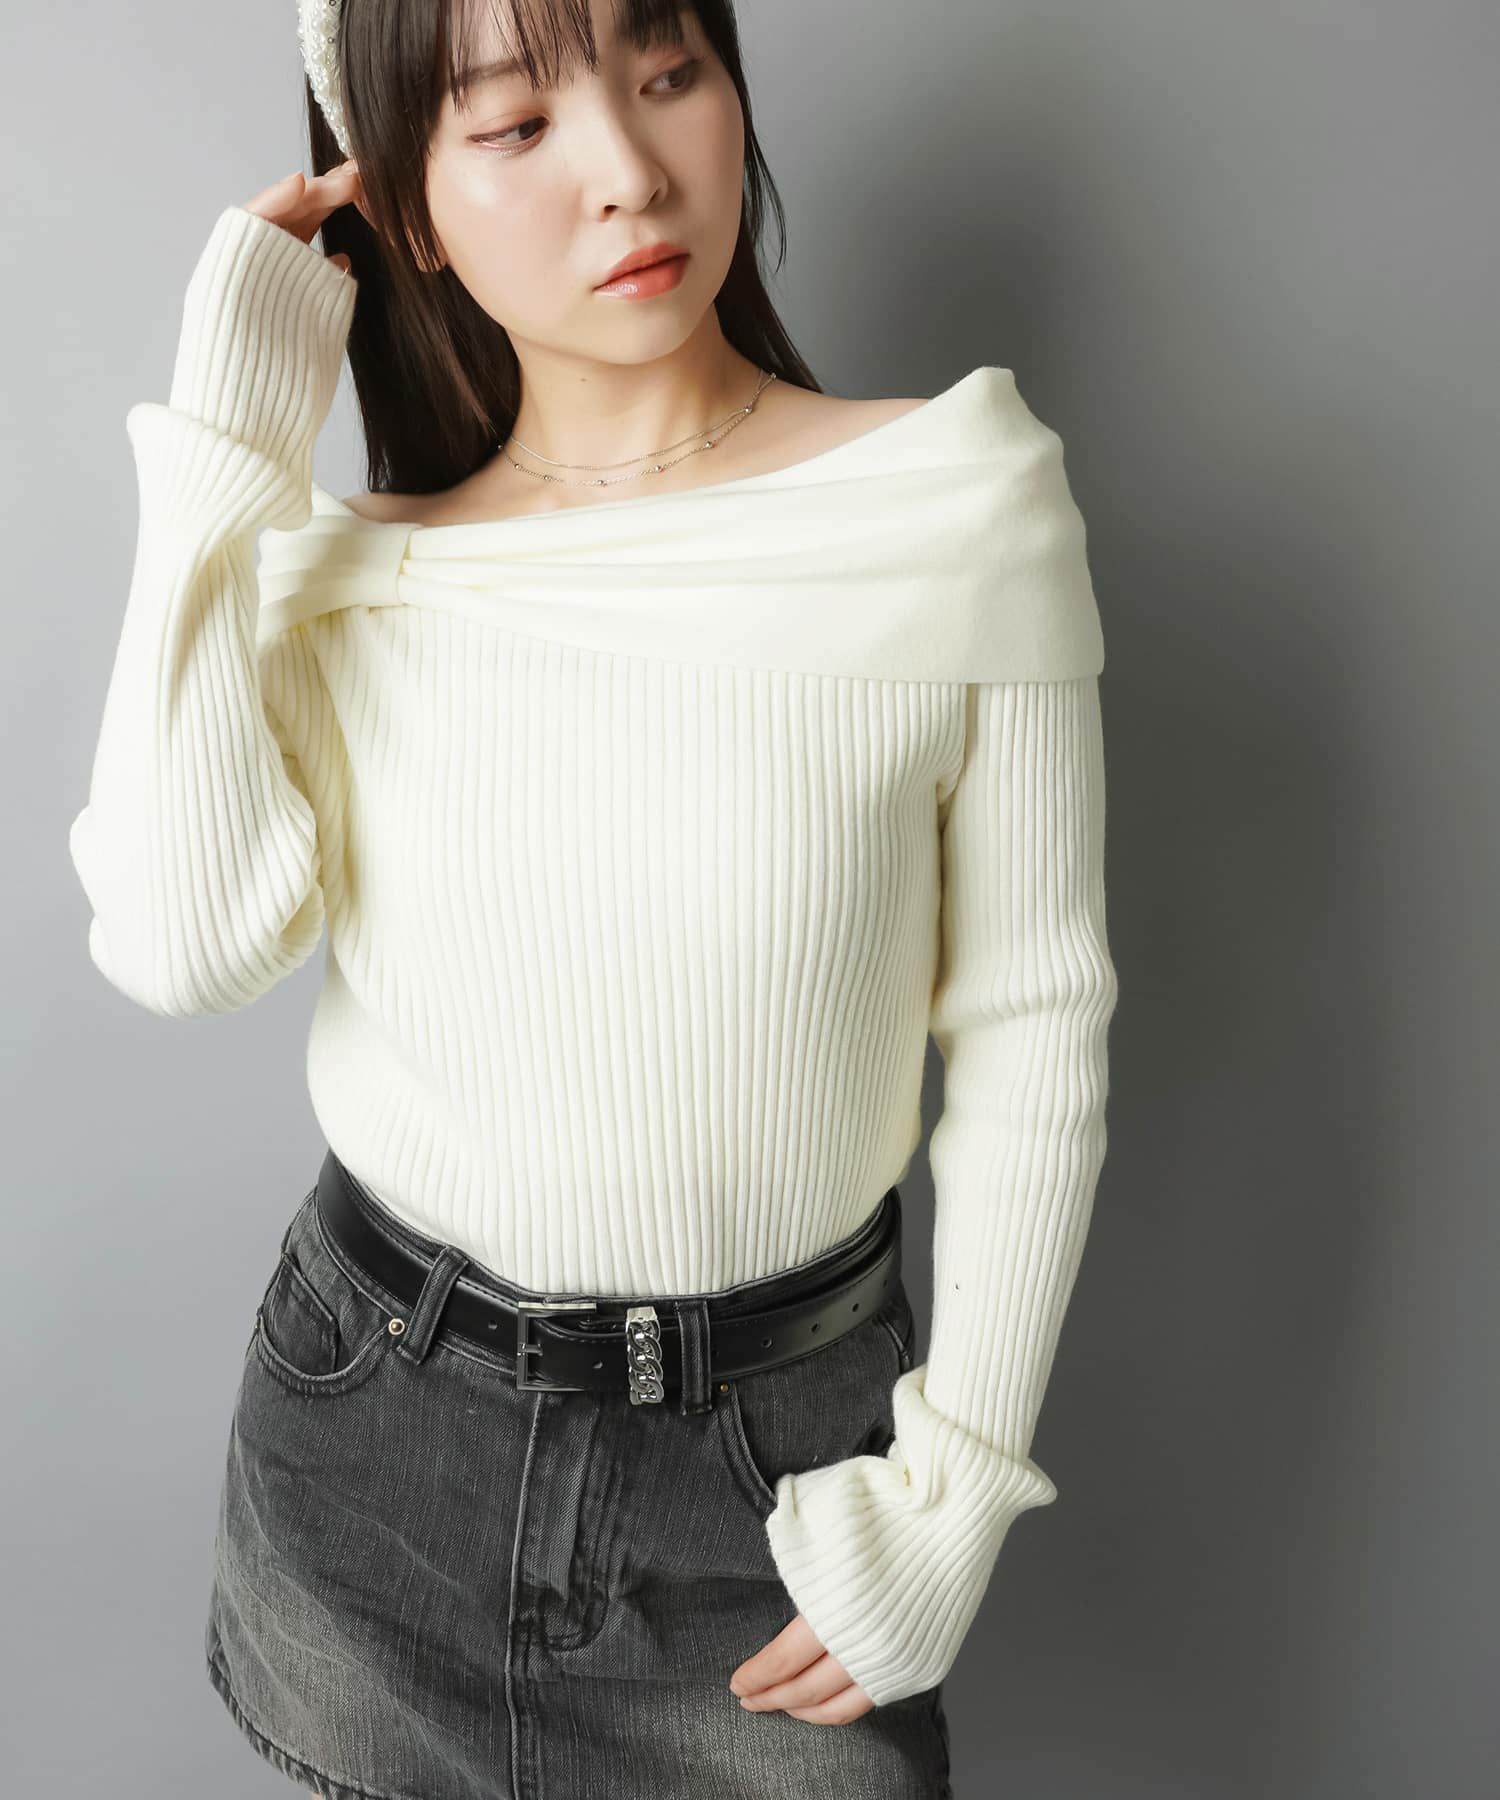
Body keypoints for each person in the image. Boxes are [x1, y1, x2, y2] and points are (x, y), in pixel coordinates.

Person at [66, 0, 1120, 1794]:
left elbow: (1039, 1030)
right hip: (373, 1457)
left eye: (668, 73)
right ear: (406, 210)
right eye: (514, 124)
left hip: (770, 1490)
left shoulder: (952, 501)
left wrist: (955, 1496)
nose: (629, 171)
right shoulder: (355, 584)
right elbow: (183, 941)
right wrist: (231, 442)